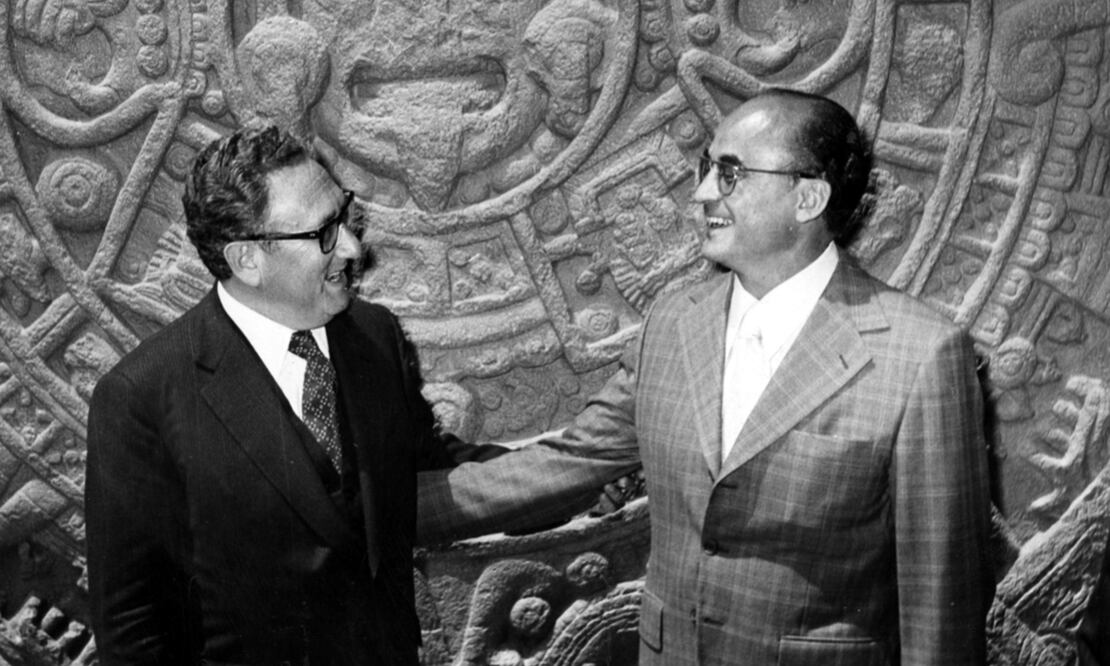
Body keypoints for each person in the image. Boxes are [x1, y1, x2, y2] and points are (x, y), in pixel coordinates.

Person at [417, 89, 994, 665]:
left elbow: (940, 605)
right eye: (706, 169)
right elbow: (566, 462)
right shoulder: (673, 322)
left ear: (809, 197)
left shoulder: (919, 356)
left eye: (731, 173)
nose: (701, 193)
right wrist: (375, 515)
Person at [85, 126, 502, 665]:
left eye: (344, 216)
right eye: (323, 233)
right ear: (247, 261)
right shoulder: (140, 399)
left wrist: (582, 475)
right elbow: (132, 632)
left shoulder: (374, 335)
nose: (352, 247)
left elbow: (428, 463)